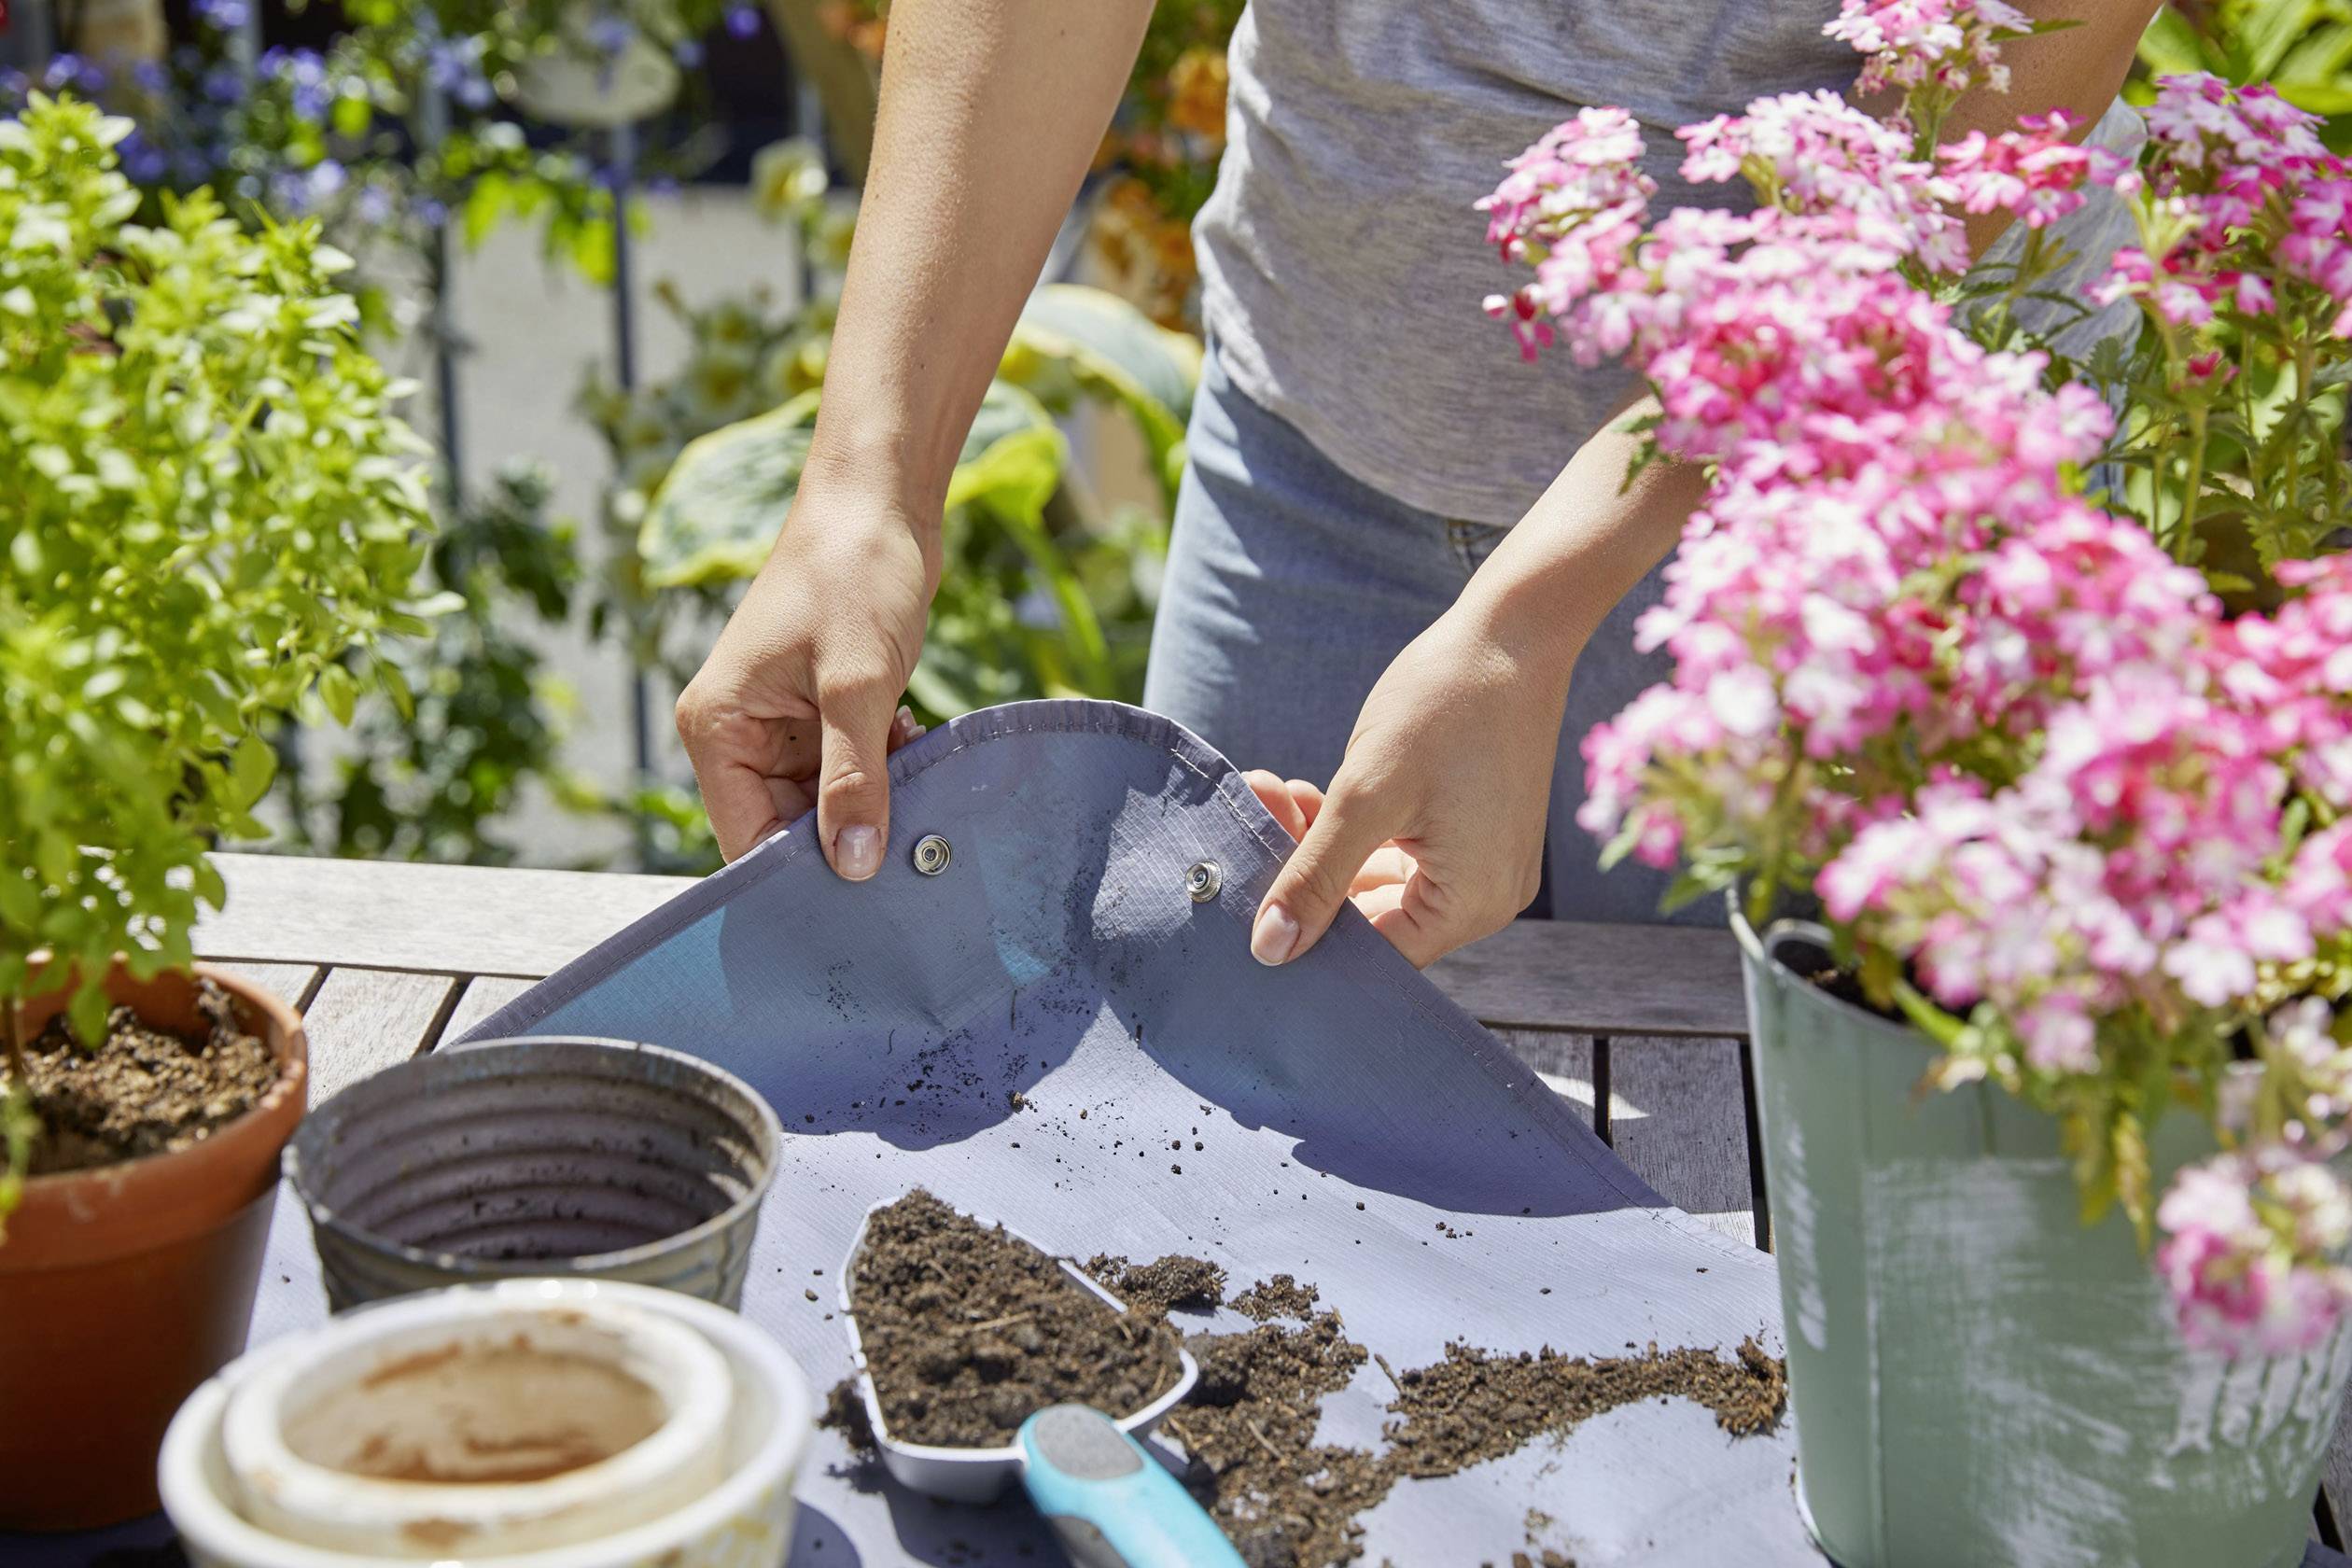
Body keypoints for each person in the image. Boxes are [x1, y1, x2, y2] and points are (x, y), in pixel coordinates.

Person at [675, 0, 2161, 973]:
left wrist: (1532, 612)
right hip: (1308, 476)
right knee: (1232, 1191)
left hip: (1841, 550)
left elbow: (1974, 141)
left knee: (1799, 1248)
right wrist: (866, 488)